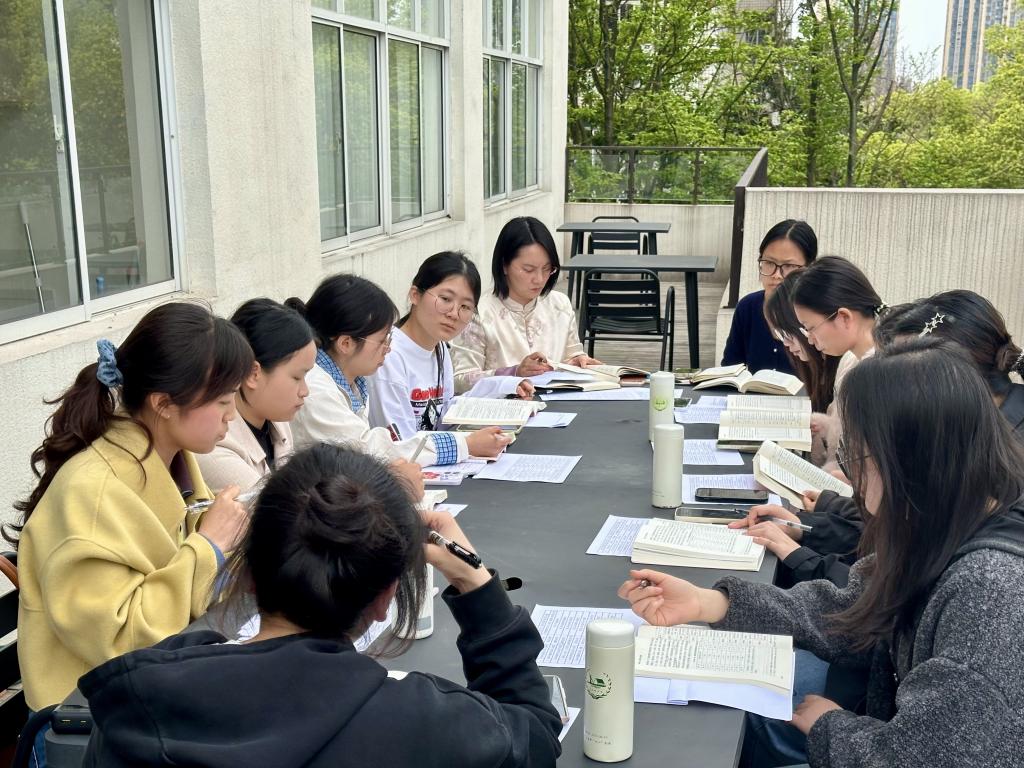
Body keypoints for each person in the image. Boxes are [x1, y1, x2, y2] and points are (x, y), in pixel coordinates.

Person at [620, 338, 1024, 768]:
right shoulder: (943, 521)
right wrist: (710, 603)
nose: (850, 476)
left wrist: (831, 727)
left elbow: (930, 757)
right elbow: (853, 608)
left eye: (854, 455)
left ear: (907, 461)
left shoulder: (990, 593)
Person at [79, 443, 564, 767]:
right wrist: (475, 581)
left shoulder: (139, 702)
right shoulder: (428, 722)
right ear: (386, 597)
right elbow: (535, 737)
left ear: (248, 573)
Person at [12, 302, 253, 715]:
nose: (232, 415)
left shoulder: (167, 455)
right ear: (163, 403)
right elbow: (120, 639)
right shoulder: (93, 491)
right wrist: (210, 545)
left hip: (150, 686)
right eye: (223, 401)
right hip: (87, 720)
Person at [287, 275, 505, 474]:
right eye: (382, 340)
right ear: (346, 343)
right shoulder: (316, 389)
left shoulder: (353, 379)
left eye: (465, 306)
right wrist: (464, 445)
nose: (388, 348)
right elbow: (371, 450)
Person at [370, 251, 533, 443]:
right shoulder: (387, 354)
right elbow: (401, 443)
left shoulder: (439, 348)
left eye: (465, 307)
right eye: (446, 299)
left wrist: (506, 386)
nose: (454, 314)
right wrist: (467, 445)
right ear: (415, 295)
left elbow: (444, 414)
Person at [452, 216, 600, 393]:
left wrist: (577, 362)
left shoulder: (560, 304)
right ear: (504, 265)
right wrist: (514, 373)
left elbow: (571, 354)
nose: (539, 279)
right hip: (501, 407)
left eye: (547, 269)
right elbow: (460, 380)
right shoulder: (478, 313)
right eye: (528, 270)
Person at [197, 298, 317, 493]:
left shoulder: (276, 420)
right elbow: (274, 507)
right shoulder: (213, 443)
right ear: (253, 374)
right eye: (297, 377)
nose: (305, 391)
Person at [790, 256, 884, 462]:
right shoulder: (851, 359)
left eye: (810, 328)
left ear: (844, 317)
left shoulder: (879, 374)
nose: (810, 339)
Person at [721, 220, 817, 374]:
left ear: (810, 268)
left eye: (789, 266)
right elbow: (730, 368)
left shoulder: (819, 313)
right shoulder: (748, 307)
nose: (776, 275)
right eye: (769, 263)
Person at [763, 272, 840, 414]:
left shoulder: (846, 366)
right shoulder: (815, 366)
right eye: (780, 334)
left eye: (786, 332)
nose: (786, 343)